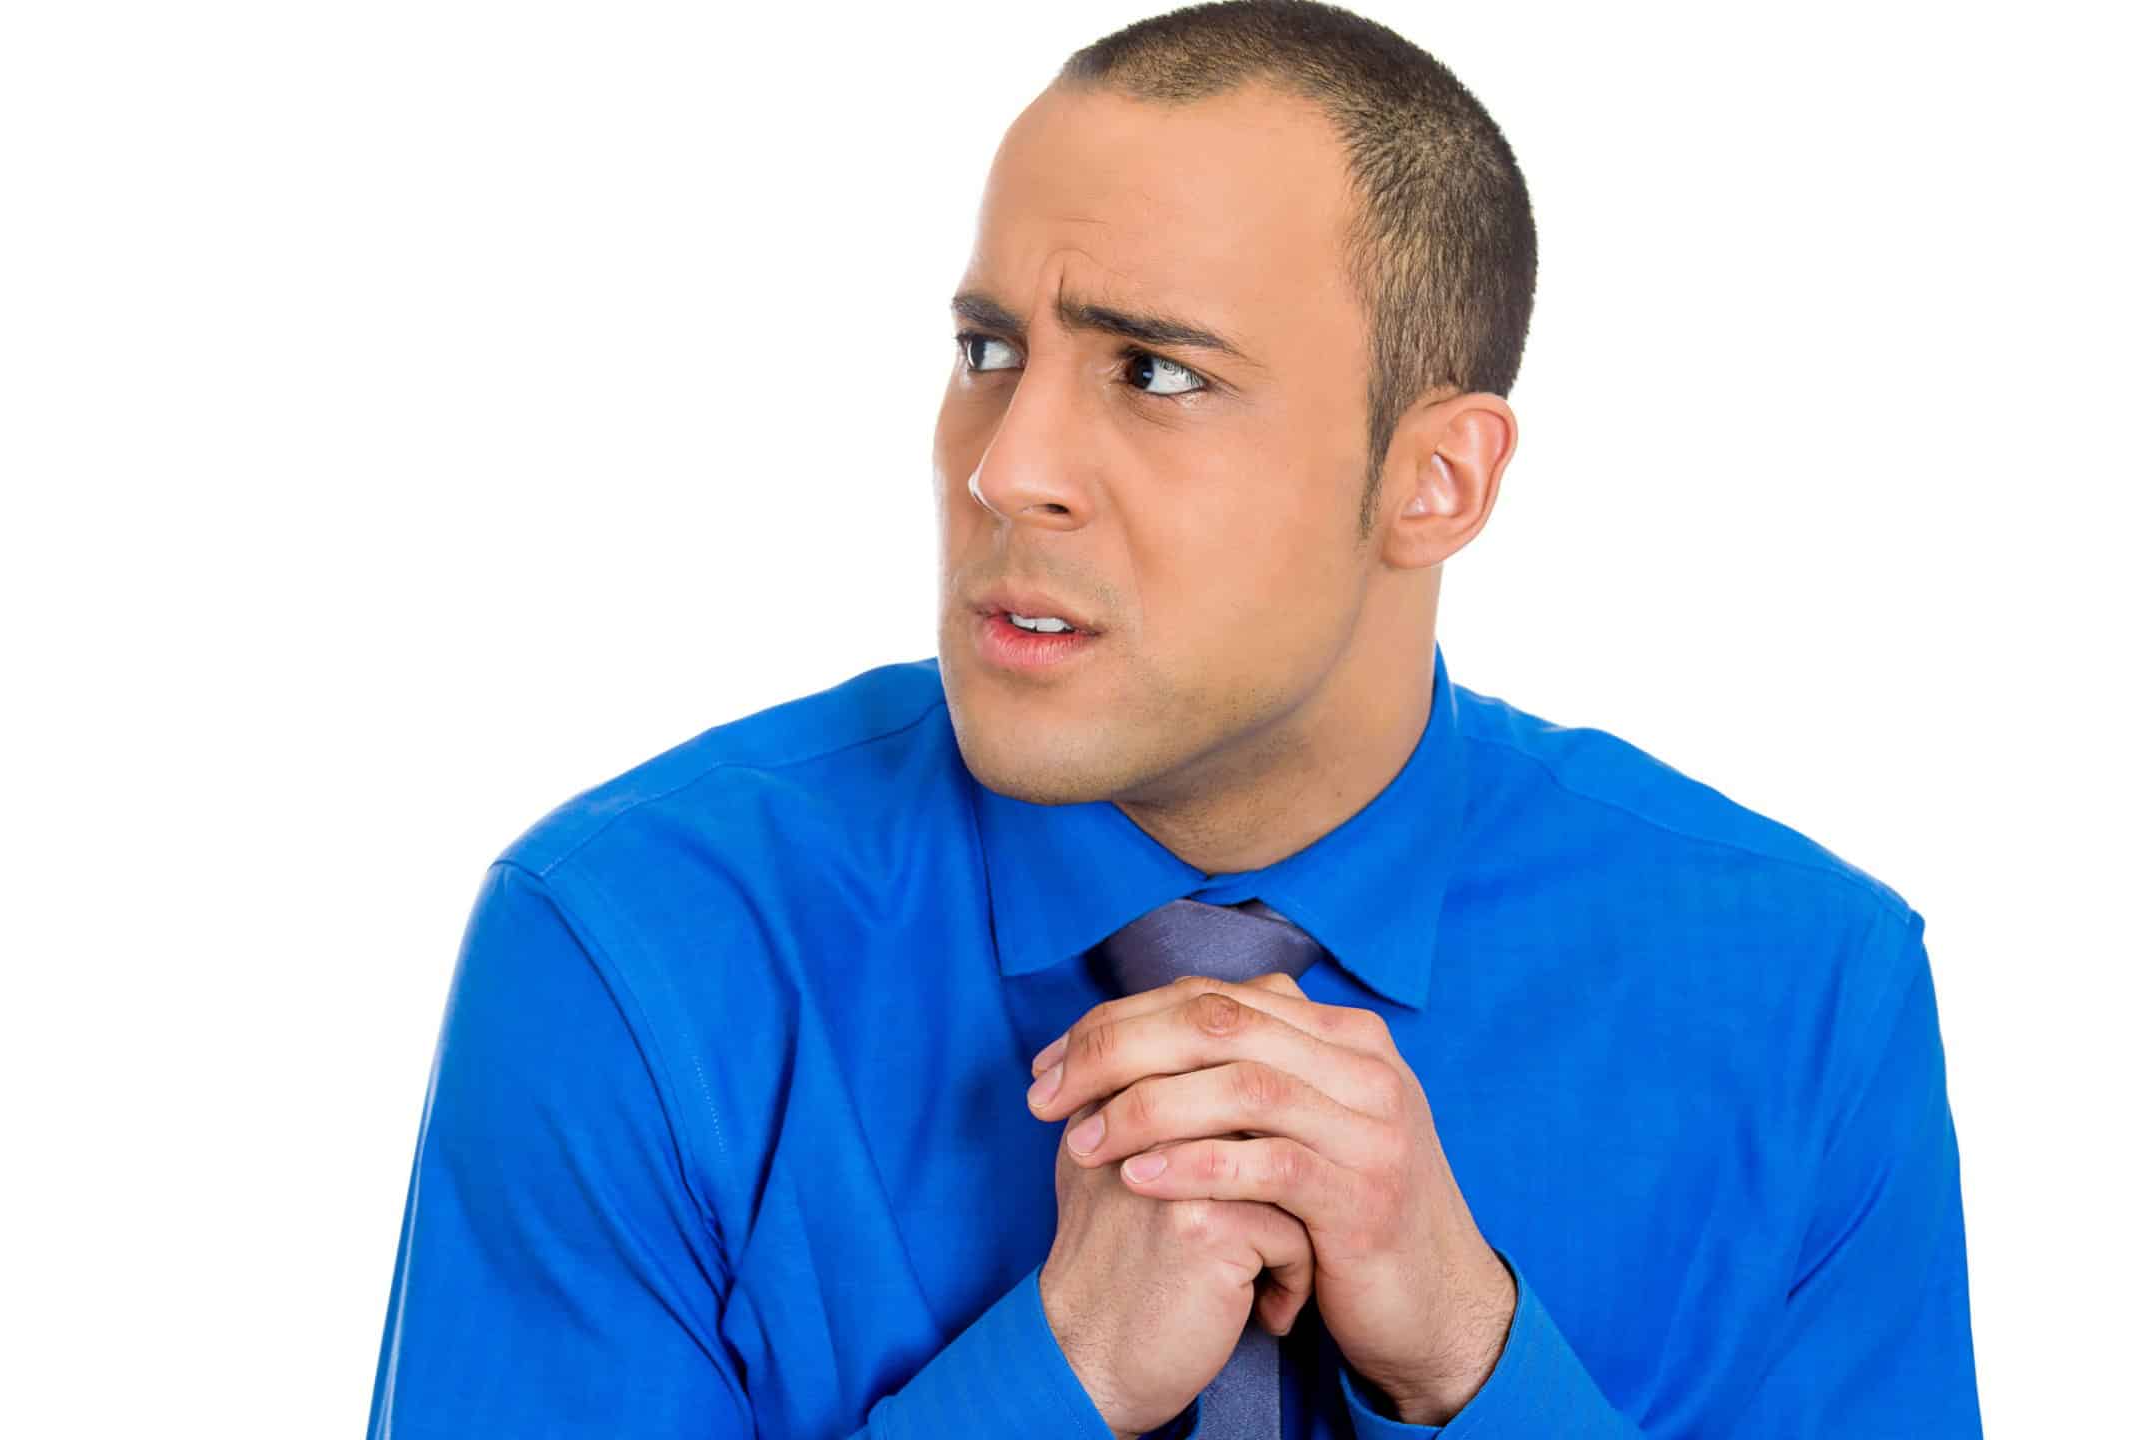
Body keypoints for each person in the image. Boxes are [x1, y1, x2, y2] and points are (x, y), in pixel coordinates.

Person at [366, 2, 1982, 1435]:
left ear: (1436, 480)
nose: (1008, 467)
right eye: (990, 349)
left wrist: (1479, 1363)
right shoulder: (635, 948)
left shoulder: (1803, 997)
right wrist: (1050, 1380)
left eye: (1152, 372)